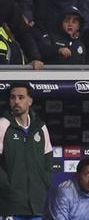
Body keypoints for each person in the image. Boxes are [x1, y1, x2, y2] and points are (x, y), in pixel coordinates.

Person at [0, 83, 53, 219]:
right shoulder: (3, 125)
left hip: (36, 205)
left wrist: (43, 183)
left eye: (21, 97)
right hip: (10, 205)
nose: (16, 101)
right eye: (12, 97)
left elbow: (48, 159)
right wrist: (8, 188)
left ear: (30, 100)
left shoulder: (40, 127)